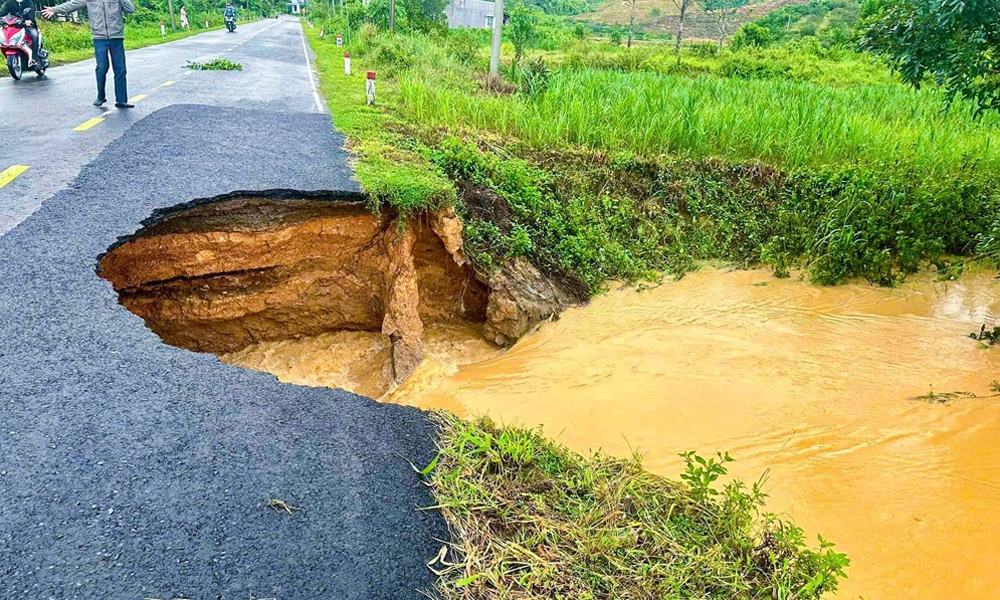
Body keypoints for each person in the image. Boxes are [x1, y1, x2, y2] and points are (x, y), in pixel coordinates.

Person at [42, 0, 135, 108]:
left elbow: (130, 9)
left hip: (117, 37)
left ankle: (121, 100)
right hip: (99, 38)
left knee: (120, 69)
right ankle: (101, 97)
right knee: (102, 67)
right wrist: (54, 9)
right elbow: (73, 4)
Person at [0, 0, 41, 67]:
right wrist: (3, 23)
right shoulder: (9, 3)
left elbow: (31, 12)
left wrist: (29, 20)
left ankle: (35, 58)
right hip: (14, 25)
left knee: (34, 35)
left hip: (27, 25)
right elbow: (2, 14)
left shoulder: (28, 2)